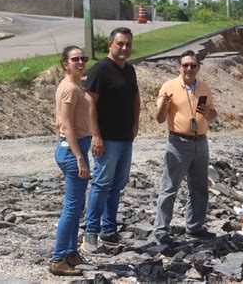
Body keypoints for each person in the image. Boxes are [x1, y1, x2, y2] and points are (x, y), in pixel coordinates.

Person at [81, 27, 140, 253]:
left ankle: (109, 229)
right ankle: (91, 232)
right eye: (120, 44)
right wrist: (96, 135)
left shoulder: (129, 70)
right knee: (102, 184)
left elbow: (135, 97)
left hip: (126, 138)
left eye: (127, 44)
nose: (124, 48)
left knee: (117, 185)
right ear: (110, 45)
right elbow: (89, 103)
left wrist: (135, 124)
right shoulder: (101, 69)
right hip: (107, 139)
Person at [153, 50, 218, 245]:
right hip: (178, 143)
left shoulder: (204, 88)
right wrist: (164, 102)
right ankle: (161, 231)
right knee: (169, 187)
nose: (189, 68)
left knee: (199, 188)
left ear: (198, 67)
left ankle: (195, 227)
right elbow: (159, 119)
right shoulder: (169, 86)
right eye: (185, 65)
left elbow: (212, 115)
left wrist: (209, 112)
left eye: (193, 65)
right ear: (179, 67)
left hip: (201, 142)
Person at [50, 46, 92, 276]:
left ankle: (70, 253)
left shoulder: (76, 86)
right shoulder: (69, 89)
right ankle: (58, 259)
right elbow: (66, 127)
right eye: (75, 59)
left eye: (83, 58)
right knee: (72, 207)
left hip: (78, 147)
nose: (80, 62)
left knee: (77, 207)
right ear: (65, 63)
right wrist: (80, 159)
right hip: (72, 150)